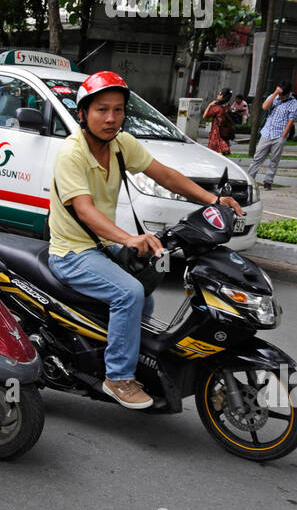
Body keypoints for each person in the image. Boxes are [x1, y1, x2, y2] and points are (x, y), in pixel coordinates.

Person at [48, 70, 243, 410]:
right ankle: (118, 378)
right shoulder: (72, 153)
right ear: (83, 113)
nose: (111, 118)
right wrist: (128, 238)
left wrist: (212, 200)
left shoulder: (121, 145)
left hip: (100, 244)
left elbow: (164, 174)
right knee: (130, 292)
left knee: (146, 297)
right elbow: (84, 210)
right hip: (71, 251)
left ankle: (123, 353)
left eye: (119, 110)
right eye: (102, 110)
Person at [247, 81, 297, 191]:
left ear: (287, 93)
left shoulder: (293, 102)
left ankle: (268, 181)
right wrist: (275, 93)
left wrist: (283, 136)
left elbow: (291, 120)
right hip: (266, 133)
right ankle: (249, 179)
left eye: (281, 94)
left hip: (279, 135)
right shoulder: (274, 96)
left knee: (274, 160)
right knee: (257, 158)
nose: (280, 96)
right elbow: (264, 107)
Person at [203, 87, 234, 155]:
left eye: (219, 94)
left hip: (216, 132)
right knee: (222, 151)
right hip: (225, 133)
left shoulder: (217, 108)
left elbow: (204, 116)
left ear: (222, 95)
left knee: (213, 152)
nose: (217, 95)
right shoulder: (228, 107)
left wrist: (209, 105)